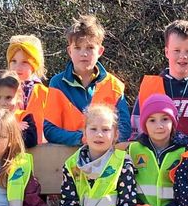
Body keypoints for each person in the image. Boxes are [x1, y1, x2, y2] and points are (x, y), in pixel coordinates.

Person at [43, 14, 132, 144]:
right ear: (69, 51)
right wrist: (82, 138)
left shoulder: (114, 85)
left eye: (90, 48)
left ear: (100, 51)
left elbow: (124, 129)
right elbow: (50, 130)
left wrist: (101, 142)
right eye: (77, 48)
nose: (83, 53)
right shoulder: (57, 83)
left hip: (106, 157)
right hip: (67, 159)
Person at [130, 20, 188, 140]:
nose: (183, 56)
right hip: (157, 155)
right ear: (167, 52)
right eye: (177, 50)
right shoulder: (150, 87)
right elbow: (136, 129)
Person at [0, 70, 39, 147]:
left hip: (13, 159)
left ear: (18, 97)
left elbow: (31, 141)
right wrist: (12, 128)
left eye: (8, 97)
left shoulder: (24, 117)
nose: (2, 103)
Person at [6, 35, 49, 141]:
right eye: (13, 61)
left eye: (25, 62)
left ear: (34, 64)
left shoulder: (45, 93)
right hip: (7, 150)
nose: (17, 67)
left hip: (39, 152)